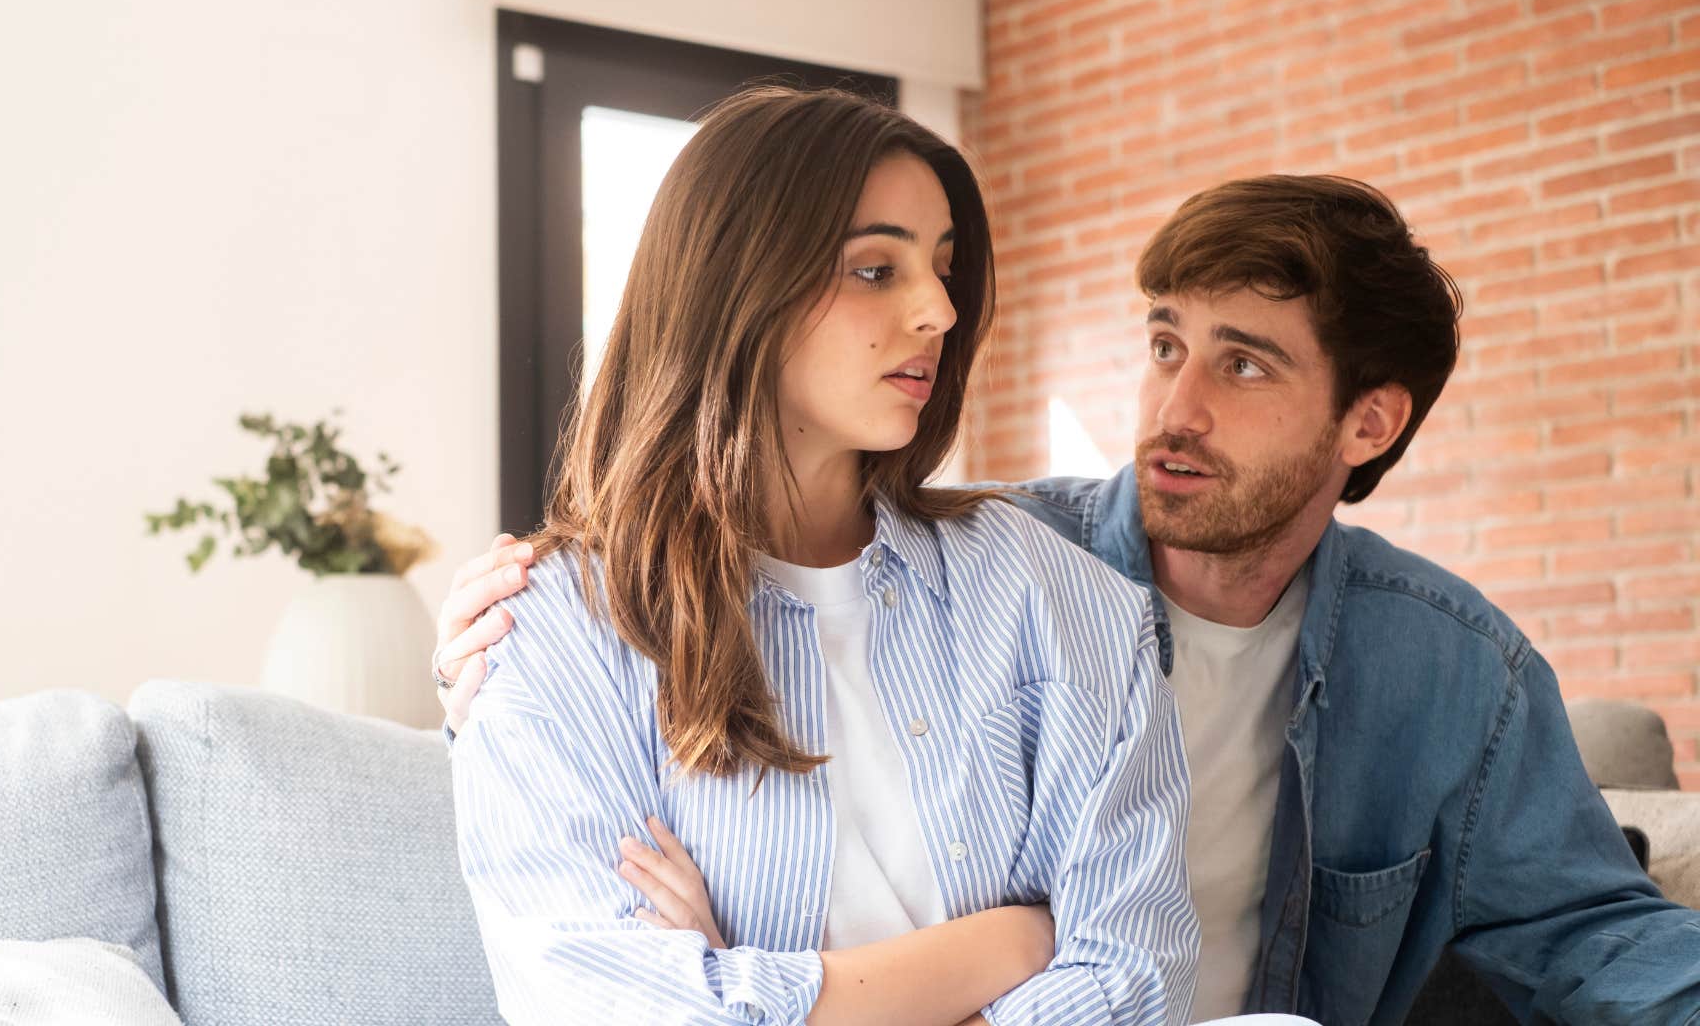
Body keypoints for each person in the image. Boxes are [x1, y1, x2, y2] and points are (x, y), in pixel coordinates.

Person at [437, 174, 1700, 1025]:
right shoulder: (989, 567)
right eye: (1165, 346)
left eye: (1243, 366)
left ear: (1367, 423)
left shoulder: (1453, 672)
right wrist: (487, 672)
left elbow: (1597, 937)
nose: (1173, 410)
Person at [444, 86, 1198, 1026]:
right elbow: (604, 1002)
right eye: (875, 270)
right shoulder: (557, 623)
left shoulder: (1051, 593)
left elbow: (1138, 977)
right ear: (734, 287)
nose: (939, 311)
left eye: (944, 268)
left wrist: (745, 980)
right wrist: (1008, 944)